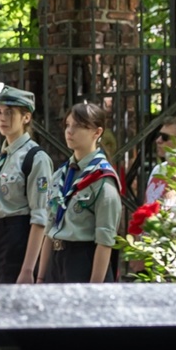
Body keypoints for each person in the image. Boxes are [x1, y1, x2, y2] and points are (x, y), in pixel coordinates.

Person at [38, 102, 122, 283]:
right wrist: (40, 277)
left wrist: (93, 288)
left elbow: (105, 240)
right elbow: (50, 230)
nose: (70, 131)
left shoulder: (102, 178)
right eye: (67, 125)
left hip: (83, 262)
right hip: (55, 262)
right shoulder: (61, 174)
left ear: (97, 132)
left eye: (78, 126)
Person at [0, 87, 53, 284]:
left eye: (10, 112)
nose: (2, 118)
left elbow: (40, 217)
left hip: (17, 239)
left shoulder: (35, 158)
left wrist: (28, 269)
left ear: (26, 117)